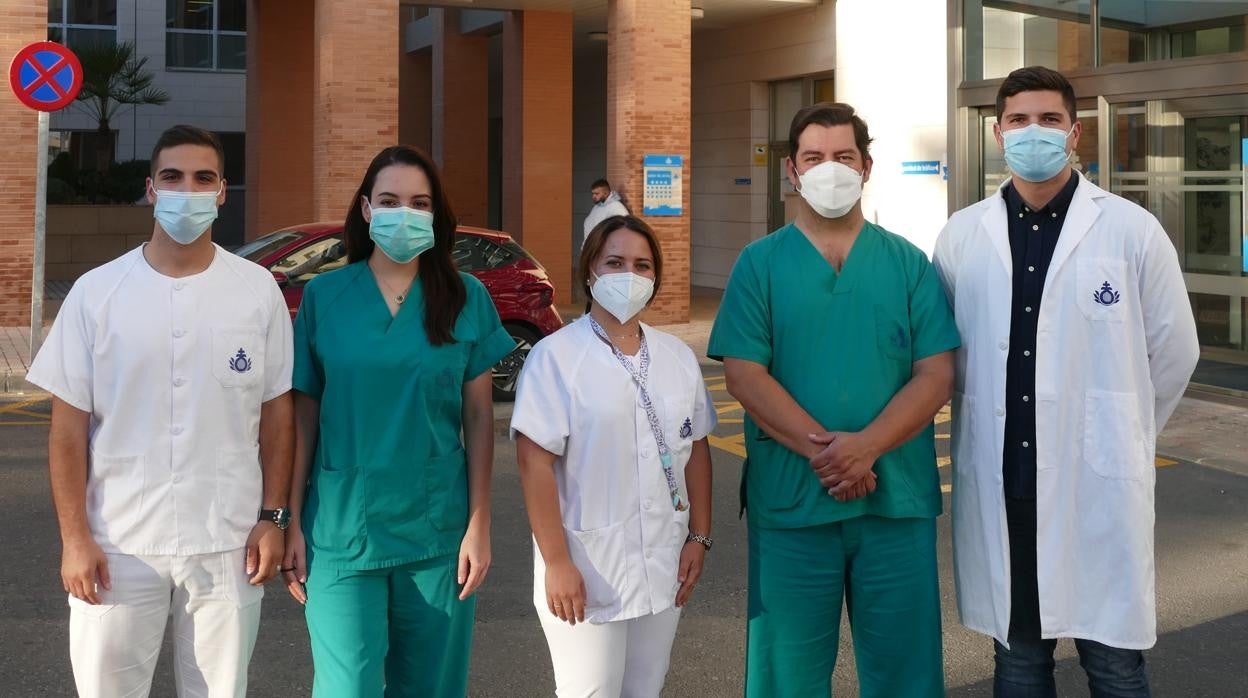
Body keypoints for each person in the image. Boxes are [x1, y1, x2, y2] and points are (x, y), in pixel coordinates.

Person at [932, 66, 1199, 698]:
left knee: (1114, 665)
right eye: (1019, 119)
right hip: (1006, 484)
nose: (1034, 132)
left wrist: (1122, 431)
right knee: (1019, 664)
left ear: (1076, 132)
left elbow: (1175, 352)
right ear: (998, 133)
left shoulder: (1131, 229)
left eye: (1049, 119)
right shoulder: (962, 237)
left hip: (1095, 485)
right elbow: (945, 355)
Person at [27, 124, 294, 697]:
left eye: (204, 178)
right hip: (117, 543)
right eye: (173, 177)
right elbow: (68, 431)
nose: (187, 190)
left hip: (226, 543)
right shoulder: (98, 293)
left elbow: (277, 416)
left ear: (224, 191)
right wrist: (75, 538)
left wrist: (273, 518)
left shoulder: (256, 290)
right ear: (151, 188)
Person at [707, 103, 960, 697]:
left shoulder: (907, 264)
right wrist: (833, 456)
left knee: (907, 672)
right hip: (796, 503)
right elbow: (744, 375)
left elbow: (936, 373)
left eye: (843, 157)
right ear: (792, 172)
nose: (830, 169)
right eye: (814, 158)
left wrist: (866, 449)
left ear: (866, 166)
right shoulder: (760, 264)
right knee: (787, 676)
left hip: (895, 501)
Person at [283, 145, 514, 697]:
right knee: (347, 689)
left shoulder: (464, 297)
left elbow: (480, 418)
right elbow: (303, 418)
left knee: (431, 687)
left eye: (418, 202)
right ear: (366, 209)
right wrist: (288, 518)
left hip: (437, 532)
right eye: (389, 200)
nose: (403, 213)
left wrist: (479, 524)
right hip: (340, 530)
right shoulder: (325, 296)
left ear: (435, 215)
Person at [511, 215, 716, 697]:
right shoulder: (557, 356)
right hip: (587, 564)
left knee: (645, 688)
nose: (630, 274)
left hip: (664, 561)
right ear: (590, 272)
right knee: (591, 691)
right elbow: (533, 462)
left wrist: (699, 538)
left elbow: (697, 449)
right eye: (615, 262)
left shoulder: (676, 356)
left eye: (642, 265)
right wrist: (557, 561)